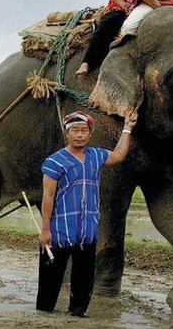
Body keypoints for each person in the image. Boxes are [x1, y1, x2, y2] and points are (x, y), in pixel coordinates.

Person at [36, 110, 137, 317]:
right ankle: (43, 317)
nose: (79, 134)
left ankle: (77, 317)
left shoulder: (96, 156)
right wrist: (45, 230)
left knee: (83, 283)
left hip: (87, 232)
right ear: (67, 133)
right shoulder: (54, 162)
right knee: (49, 283)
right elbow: (47, 197)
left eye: (84, 130)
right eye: (75, 130)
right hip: (59, 233)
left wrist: (127, 128)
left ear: (90, 133)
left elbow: (118, 155)